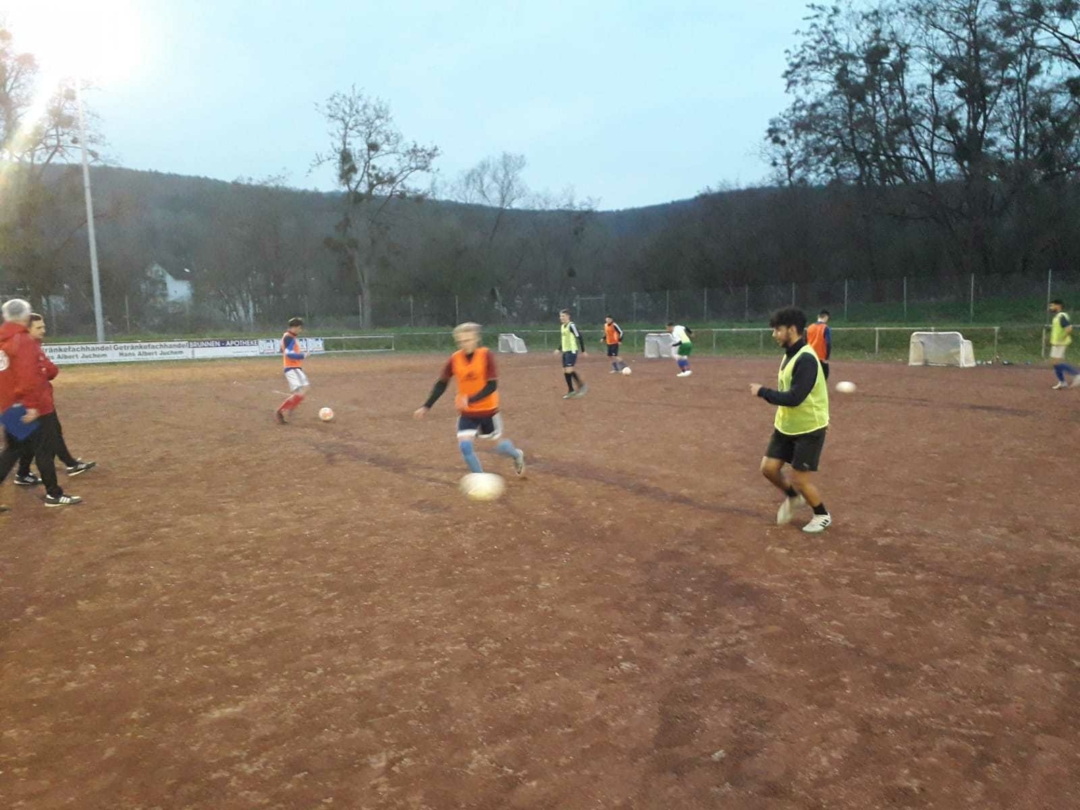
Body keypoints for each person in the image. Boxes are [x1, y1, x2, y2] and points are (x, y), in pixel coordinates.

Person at [749, 307, 831, 534]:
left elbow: (795, 398)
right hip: (786, 425)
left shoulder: (806, 359)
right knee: (769, 469)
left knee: (800, 479)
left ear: (792, 330)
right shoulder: (790, 354)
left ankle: (822, 514)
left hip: (808, 428)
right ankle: (794, 498)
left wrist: (763, 391)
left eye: (778, 330)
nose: (774, 334)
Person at [0, 298, 82, 510]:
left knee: (12, 450)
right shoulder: (24, 341)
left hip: (7, 405)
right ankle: (54, 494)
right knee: (44, 449)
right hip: (28, 405)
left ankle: (34, 480)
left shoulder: (2, 340)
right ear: (25, 316)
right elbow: (28, 377)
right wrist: (31, 405)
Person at [414, 322, 526, 476]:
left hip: (488, 412)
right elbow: (442, 383)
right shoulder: (455, 358)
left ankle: (516, 454)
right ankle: (480, 479)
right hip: (467, 413)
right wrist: (426, 406)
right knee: (465, 447)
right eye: (460, 341)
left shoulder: (486, 355)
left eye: (467, 340)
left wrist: (471, 399)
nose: (464, 344)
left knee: (500, 447)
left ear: (476, 339)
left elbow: (492, 386)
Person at [13, 313, 96, 488]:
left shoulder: (33, 346)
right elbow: (41, 373)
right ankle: (53, 488)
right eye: (39, 327)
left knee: (37, 437)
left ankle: (24, 472)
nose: (44, 330)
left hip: (38, 401)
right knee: (42, 442)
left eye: (43, 326)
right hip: (33, 403)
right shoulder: (25, 349)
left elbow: (51, 371)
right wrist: (32, 404)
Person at [275, 317, 309, 423]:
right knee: (300, 391)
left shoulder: (289, 337)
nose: (300, 330)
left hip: (295, 367)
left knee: (304, 388)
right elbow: (289, 354)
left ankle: (289, 408)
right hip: (291, 368)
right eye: (300, 328)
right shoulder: (289, 337)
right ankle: (282, 411)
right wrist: (302, 355)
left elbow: (283, 350)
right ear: (296, 327)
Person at [555, 309, 588, 398]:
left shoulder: (571, 325)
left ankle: (582, 385)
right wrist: (559, 349)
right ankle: (571, 390)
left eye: (563, 316)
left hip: (572, 351)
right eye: (560, 316)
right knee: (565, 371)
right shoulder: (562, 326)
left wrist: (583, 350)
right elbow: (564, 340)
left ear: (568, 316)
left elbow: (579, 337)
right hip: (565, 351)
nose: (561, 318)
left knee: (569, 370)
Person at [1047, 299, 1080, 390]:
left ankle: (1076, 374)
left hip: (1061, 343)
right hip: (1056, 343)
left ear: (1058, 306)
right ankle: (1062, 382)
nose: (1050, 307)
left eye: (1052, 305)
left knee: (1056, 362)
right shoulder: (1057, 317)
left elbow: (1069, 328)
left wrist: (1061, 339)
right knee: (1054, 363)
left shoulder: (1061, 316)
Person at [806, 309, 832, 381]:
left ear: (818, 316)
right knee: (823, 377)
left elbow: (805, 342)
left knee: (811, 377)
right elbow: (828, 343)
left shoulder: (810, 327)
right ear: (826, 317)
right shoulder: (825, 328)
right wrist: (826, 357)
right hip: (821, 357)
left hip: (810, 356)